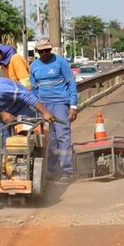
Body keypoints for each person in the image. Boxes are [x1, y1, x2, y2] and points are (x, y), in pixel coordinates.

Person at [26, 37, 78, 179]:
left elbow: (71, 84)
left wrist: (73, 105)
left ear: (50, 49)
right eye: (41, 51)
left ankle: (67, 171)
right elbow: (34, 90)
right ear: (37, 52)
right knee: (50, 140)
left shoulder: (60, 62)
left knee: (63, 137)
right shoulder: (34, 66)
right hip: (44, 107)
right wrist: (37, 108)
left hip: (61, 104)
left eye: (47, 50)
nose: (44, 54)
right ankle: (54, 171)